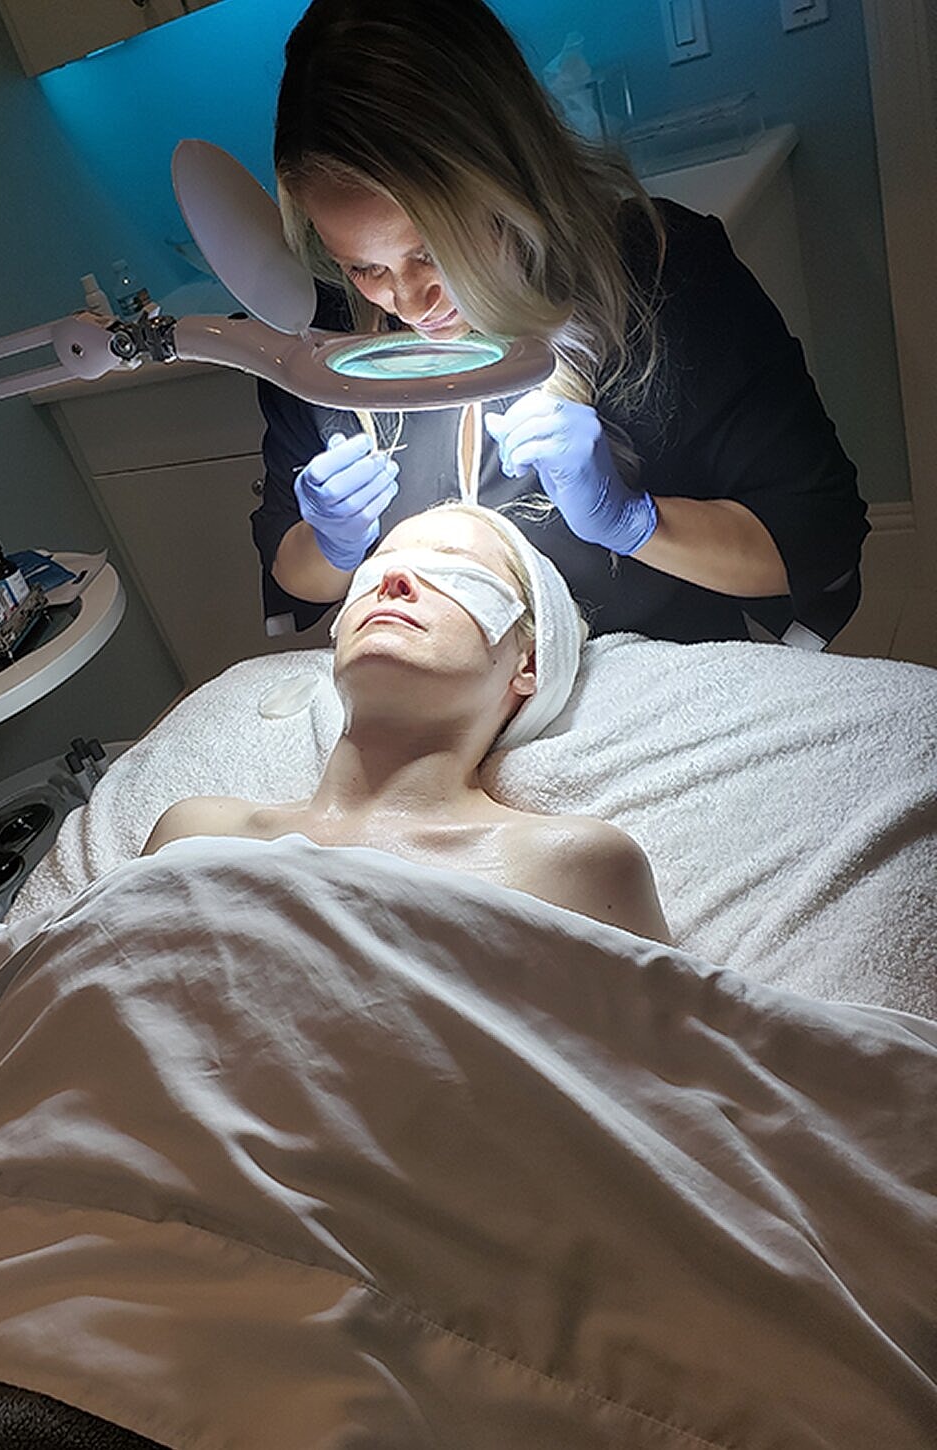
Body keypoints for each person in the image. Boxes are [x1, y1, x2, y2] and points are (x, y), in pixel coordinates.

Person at [251, 0, 868, 648]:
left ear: (512, 182)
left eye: (433, 251)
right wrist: (332, 542)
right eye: (363, 267)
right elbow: (292, 570)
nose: (407, 301)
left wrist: (634, 521)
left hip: (650, 685)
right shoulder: (325, 346)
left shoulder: (659, 280)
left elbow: (813, 536)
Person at [146, 501, 670, 943]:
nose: (394, 580)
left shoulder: (572, 868)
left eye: (453, 571)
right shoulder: (191, 834)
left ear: (528, 663)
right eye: (377, 568)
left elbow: (671, 1059)